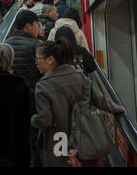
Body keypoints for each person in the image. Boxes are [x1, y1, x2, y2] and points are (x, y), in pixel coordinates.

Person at [32, 39, 126, 167]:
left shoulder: (43, 86)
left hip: (58, 144)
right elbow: (99, 100)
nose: (36, 63)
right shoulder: (80, 76)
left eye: (38, 59)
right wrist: (118, 108)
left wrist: (33, 120)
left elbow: (45, 120)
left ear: (50, 59)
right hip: (85, 140)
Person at [5, 10, 42, 167]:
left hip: (9, 102)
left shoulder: (4, 45)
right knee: (34, 141)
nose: (39, 28)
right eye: (37, 25)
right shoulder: (36, 45)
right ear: (28, 25)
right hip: (32, 101)